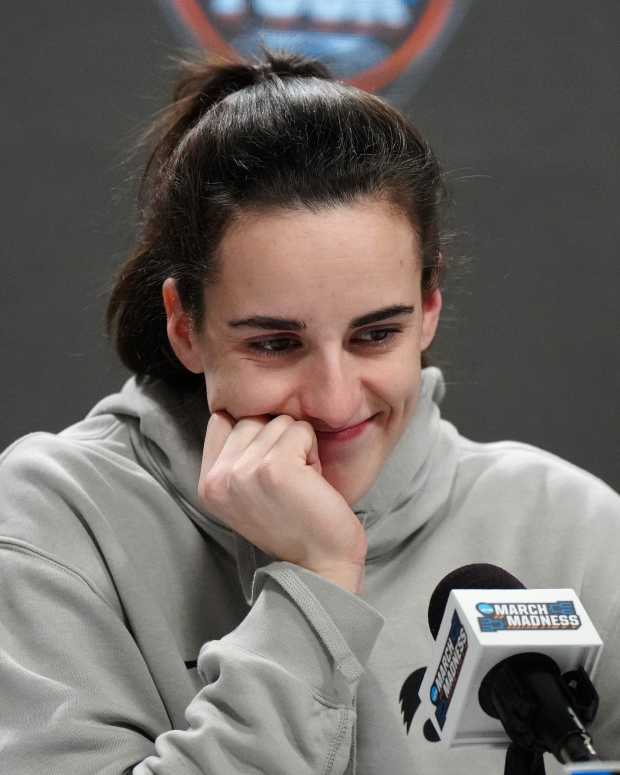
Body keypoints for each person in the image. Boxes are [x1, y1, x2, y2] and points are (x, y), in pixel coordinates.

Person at [0, 48, 618, 775]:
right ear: (184, 325)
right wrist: (316, 582)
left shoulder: (570, 526)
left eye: (375, 333)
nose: (332, 399)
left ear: (428, 307)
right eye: (274, 342)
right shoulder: (54, 519)